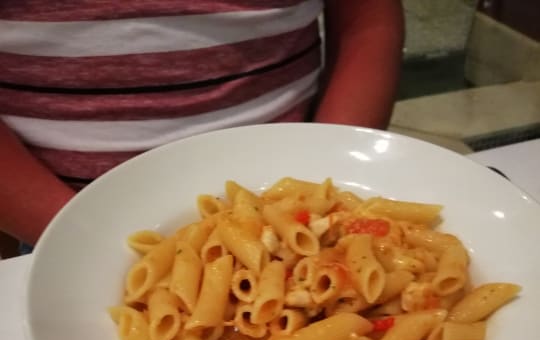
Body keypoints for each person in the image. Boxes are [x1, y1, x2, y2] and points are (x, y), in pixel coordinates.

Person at [0, 1, 404, 250]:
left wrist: (326, 177)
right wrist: (78, 242)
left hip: (300, 207)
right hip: (59, 220)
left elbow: (366, 24)